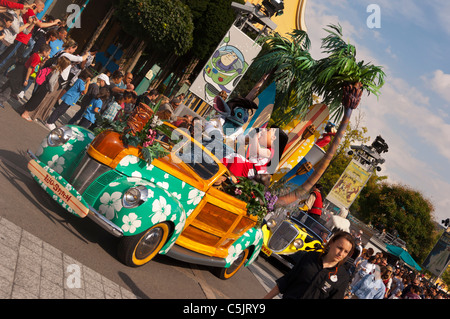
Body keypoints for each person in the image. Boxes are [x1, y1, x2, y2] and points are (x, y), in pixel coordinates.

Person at [264, 231, 355, 299]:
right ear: (331, 242)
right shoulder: (310, 257)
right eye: (339, 248)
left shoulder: (343, 277)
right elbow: (287, 281)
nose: (341, 253)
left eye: (346, 252)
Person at [0, 0, 60, 74]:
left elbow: (28, 29)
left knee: (11, 59)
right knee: (6, 58)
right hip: (19, 39)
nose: (43, 10)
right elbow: (40, 25)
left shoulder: (27, 16)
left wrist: (31, 24)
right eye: (42, 8)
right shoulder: (30, 12)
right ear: (36, 5)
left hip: (22, 40)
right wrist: (54, 23)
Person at [21, 56, 71, 121]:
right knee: (36, 100)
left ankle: (26, 112)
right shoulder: (57, 71)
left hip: (43, 85)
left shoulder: (53, 67)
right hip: (46, 87)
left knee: (35, 98)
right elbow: (51, 81)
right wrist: (51, 89)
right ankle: (25, 113)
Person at [0, 43, 50, 107]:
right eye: (48, 52)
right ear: (44, 52)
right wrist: (26, 79)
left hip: (21, 70)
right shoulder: (37, 58)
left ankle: (1, 95)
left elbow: (39, 65)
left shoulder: (36, 55)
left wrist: (45, 60)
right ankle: (1, 99)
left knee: (9, 83)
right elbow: (30, 68)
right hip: (23, 73)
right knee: (13, 87)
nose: (49, 54)